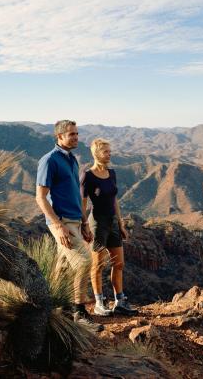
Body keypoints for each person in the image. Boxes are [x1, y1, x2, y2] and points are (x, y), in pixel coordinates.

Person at [35, 120, 103, 332]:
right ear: (59, 137)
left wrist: (84, 223)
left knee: (62, 270)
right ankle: (79, 313)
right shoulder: (49, 160)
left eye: (76, 133)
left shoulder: (72, 160)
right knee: (84, 263)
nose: (76, 137)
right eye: (71, 134)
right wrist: (57, 226)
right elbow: (40, 198)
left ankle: (57, 310)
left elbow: (75, 196)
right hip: (62, 222)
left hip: (75, 221)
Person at [81, 138, 138, 316]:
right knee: (97, 265)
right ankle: (99, 303)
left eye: (109, 151)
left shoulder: (111, 173)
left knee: (118, 263)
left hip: (112, 222)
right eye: (106, 151)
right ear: (97, 154)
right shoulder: (87, 176)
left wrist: (120, 223)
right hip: (97, 223)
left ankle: (119, 301)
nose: (109, 154)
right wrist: (84, 225)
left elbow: (114, 200)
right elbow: (82, 204)